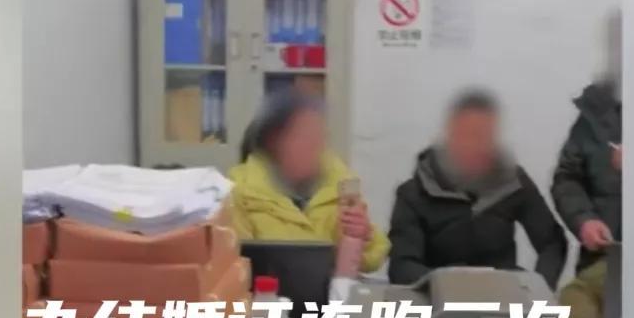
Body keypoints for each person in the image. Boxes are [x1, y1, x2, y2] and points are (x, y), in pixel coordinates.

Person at [387, 89, 568, 289]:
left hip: (502, 293)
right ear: (450, 136)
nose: (476, 146)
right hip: (436, 296)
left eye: (484, 136)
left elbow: (552, 242)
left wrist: (537, 288)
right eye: (468, 135)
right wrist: (455, 286)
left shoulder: (514, 182)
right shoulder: (413, 193)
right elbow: (401, 265)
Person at [229, 90, 390, 273]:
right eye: (303, 136)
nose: (314, 146)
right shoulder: (240, 191)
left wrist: (363, 236)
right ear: (274, 141)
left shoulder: (340, 185)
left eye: (319, 136)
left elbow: (372, 261)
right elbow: (235, 265)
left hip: (332, 289)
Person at [552, 11, 622, 318]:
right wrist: (585, 221)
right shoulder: (596, 113)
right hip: (607, 260)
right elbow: (567, 178)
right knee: (576, 297)